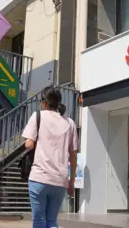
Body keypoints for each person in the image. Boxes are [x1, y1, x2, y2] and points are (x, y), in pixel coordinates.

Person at [22, 86, 79, 228]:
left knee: (39, 220)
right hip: (60, 181)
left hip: (39, 178)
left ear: (44, 103)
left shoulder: (38, 116)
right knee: (52, 221)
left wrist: (33, 142)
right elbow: (73, 155)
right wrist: (71, 182)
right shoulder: (70, 123)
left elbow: (28, 144)